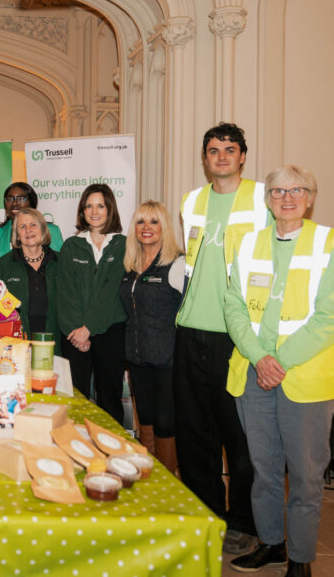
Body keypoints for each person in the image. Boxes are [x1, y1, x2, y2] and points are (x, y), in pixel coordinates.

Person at [224, 167, 334, 577]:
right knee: (264, 469)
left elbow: (331, 318)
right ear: (268, 199)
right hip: (254, 373)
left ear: (310, 197)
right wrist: (260, 358)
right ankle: (273, 544)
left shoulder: (330, 243)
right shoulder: (247, 244)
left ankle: (301, 558)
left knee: (306, 474)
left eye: (298, 190)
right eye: (278, 191)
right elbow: (234, 307)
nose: (287, 197)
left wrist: (279, 362)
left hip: (306, 379)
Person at [176, 122, 266, 553]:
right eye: (214, 150)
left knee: (242, 435)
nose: (222, 156)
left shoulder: (264, 199)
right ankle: (206, 514)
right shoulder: (192, 201)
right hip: (192, 330)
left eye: (230, 149)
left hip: (238, 334)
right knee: (195, 433)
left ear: (243, 156)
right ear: (205, 158)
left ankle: (243, 522)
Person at [119, 200, 185, 473]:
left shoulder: (177, 264)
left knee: (166, 422)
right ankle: (150, 479)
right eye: (141, 222)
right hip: (137, 358)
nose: (147, 228)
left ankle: (169, 480)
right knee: (143, 417)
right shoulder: (131, 267)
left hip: (167, 360)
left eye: (154, 222)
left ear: (164, 227)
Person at [55, 184, 127, 424]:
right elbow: (65, 294)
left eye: (100, 206)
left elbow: (112, 292)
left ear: (110, 209)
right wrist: (78, 331)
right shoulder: (71, 246)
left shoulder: (124, 245)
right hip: (75, 335)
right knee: (77, 401)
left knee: (110, 400)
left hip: (111, 333)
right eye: (89, 206)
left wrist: (89, 329)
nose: (94, 211)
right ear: (82, 211)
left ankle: (113, 456)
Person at [0, 182, 64, 297]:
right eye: (9, 199)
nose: (14, 203)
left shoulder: (52, 231)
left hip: (44, 303)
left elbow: (62, 273)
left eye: (21, 199)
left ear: (32, 203)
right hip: (3, 307)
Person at [0, 207, 59, 338]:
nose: (28, 230)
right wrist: (4, 309)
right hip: (17, 345)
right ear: (17, 235)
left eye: (33, 225)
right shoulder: (4, 265)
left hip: (56, 343)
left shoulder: (60, 262)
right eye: (22, 226)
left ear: (43, 229)